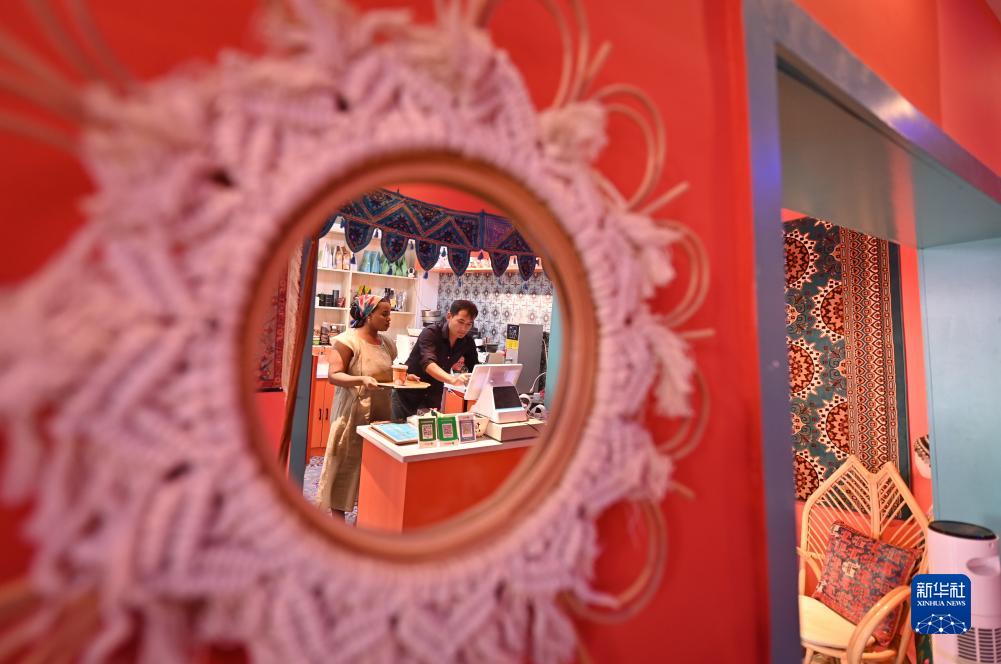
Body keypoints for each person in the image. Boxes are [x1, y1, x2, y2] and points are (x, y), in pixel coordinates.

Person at [315, 294, 412, 516]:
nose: (389, 319)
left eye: (390, 314)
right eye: (384, 314)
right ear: (368, 316)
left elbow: (386, 373)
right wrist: (361, 380)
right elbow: (334, 375)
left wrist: (406, 378)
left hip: (381, 414)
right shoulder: (347, 341)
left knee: (373, 469)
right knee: (345, 466)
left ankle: (366, 519)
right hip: (352, 413)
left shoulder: (387, 343)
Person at [391, 299, 480, 421]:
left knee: (429, 432)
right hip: (408, 395)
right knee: (401, 431)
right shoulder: (431, 333)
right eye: (461, 322)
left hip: (433, 396)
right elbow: (428, 363)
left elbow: (475, 367)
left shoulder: (467, 341)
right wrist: (453, 380)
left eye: (469, 324)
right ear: (449, 316)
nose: (464, 328)